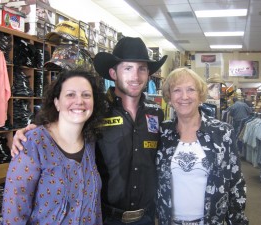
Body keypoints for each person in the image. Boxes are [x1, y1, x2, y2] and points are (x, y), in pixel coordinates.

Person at [11, 37, 168, 225]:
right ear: (113, 72)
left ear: (148, 73)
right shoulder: (94, 111)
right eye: (128, 68)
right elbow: (59, 125)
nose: (135, 76)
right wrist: (30, 131)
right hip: (104, 217)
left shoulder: (156, 114)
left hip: (146, 218)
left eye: (142, 68)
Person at [2, 69, 104, 224]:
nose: (79, 101)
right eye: (70, 94)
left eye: (86, 95)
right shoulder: (33, 142)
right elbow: (14, 212)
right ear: (56, 102)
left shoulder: (90, 143)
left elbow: (93, 207)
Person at [156, 68, 249, 225]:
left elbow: (236, 183)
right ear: (169, 98)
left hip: (210, 221)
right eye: (177, 90)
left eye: (190, 89)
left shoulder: (222, 132)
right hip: (169, 221)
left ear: (200, 96)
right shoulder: (162, 133)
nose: (184, 96)